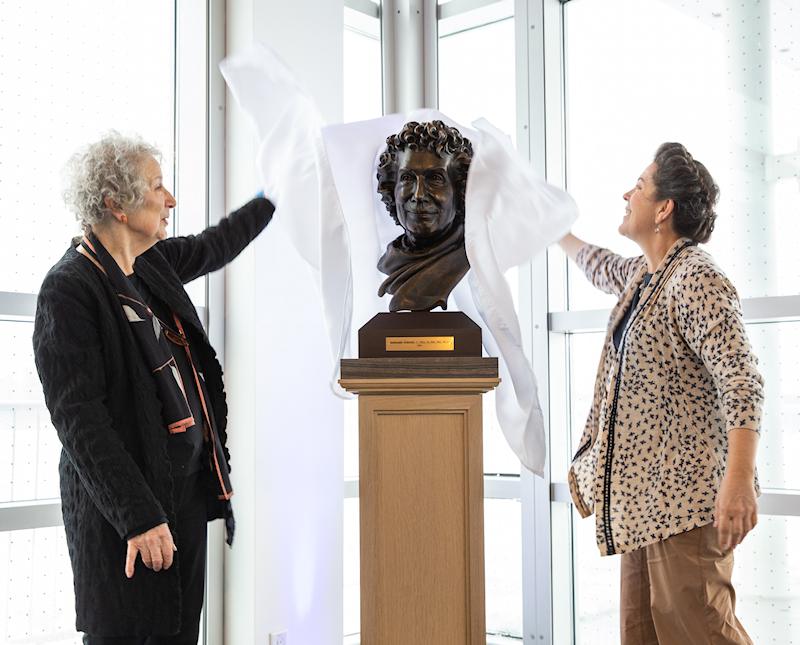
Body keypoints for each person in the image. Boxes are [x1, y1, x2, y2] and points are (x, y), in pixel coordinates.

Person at [32, 132, 274, 643]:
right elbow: (81, 422)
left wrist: (271, 194)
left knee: (181, 631)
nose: (171, 200)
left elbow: (215, 244)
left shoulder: (151, 264)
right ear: (116, 204)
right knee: (129, 632)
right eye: (157, 187)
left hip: (181, 495)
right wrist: (139, 518)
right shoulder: (68, 289)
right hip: (127, 514)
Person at [559, 142, 763, 644]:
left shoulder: (696, 277)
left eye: (640, 186)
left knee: (703, 633)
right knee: (644, 636)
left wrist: (738, 482)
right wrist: (553, 231)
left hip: (688, 509)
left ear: (664, 208)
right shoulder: (644, 277)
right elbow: (598, 264)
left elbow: (741, 380)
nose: (627, 194)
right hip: (643, 511)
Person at [376, 120, 473, 312]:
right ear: (392, 189)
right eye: (407, 178)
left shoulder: (470, 255)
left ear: (459, 190)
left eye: (435, 179)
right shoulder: (391, 259)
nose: (418, 195)